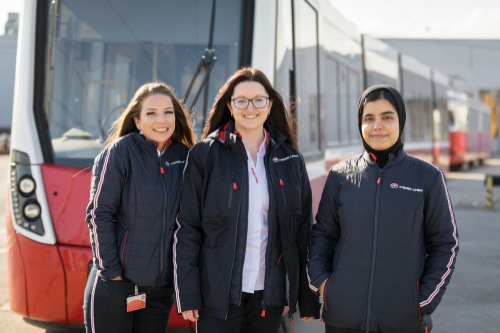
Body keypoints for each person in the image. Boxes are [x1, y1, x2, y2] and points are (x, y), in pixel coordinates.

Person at [173, 68, 321, 332]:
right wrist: (188, 292)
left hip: (268, 295)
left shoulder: (290, 159)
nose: (249, 107)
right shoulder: (204, 155)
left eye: (258, 100)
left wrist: (307, 298)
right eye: (241, 100)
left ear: (270, 104)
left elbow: (303, 233)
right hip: (216, 295)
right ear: (230, 106)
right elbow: (188, 228)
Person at [307, 85, 458, 333]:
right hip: (343, 320)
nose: (377, 126)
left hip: (404, 322)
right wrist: (325, 285)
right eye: (369, 118)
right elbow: (322, 235)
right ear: (360, 124)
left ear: (400, 121)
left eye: (387, 117)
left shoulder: (427, 177)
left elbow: (445, 244)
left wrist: (422, 302)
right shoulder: (340, 176)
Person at [83, 82, 196, 332]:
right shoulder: (119, 152)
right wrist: (112, 273)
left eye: (168, 112)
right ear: (137, 120)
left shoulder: (185, 156)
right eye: (151, 113)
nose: (161, 120)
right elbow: (99, 214)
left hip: (158, 291)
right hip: (116, 286)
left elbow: (191, 223)